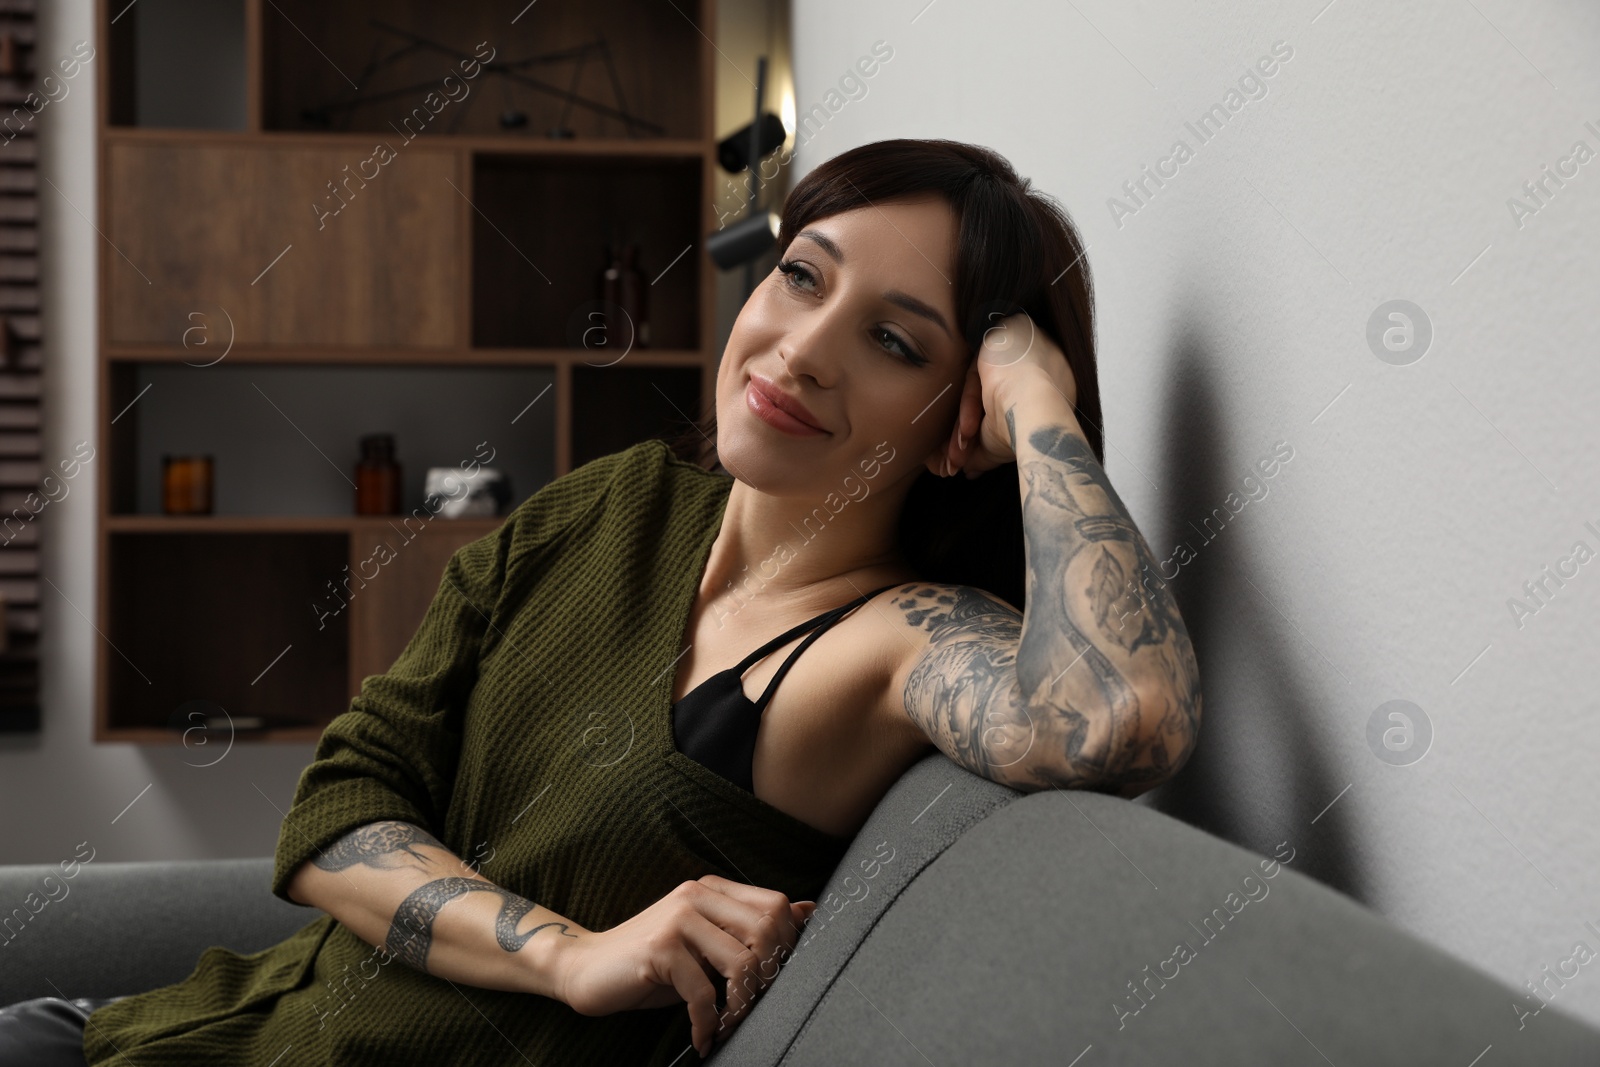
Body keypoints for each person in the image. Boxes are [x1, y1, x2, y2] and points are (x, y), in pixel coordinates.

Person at [7, 137, 1199, 1066]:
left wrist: (1039, 403)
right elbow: (332, 807)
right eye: (799, 277)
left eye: (892, 339)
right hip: (172, 1032)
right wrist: (569, 953)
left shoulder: (884, 641)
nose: (799, 349)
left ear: (957, 426)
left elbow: (1122, 716)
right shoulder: (614, 502)